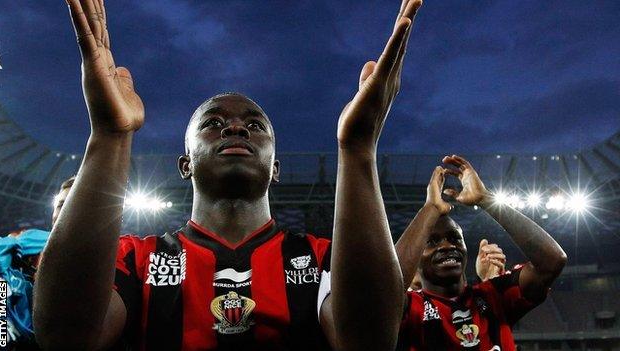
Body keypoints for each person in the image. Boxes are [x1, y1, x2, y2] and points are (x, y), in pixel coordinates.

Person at [33, 0, 423, 349]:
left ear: (275, 169)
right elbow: (66, 337)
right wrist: (109, 136)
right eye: (214, 122)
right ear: (185, 165)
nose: (235, 128)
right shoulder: (136, 258)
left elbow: (368, 340)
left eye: (255, 126)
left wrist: (358, 150)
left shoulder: (322, 258)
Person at [395, 155, 567, 350]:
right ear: (416, 258)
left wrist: (487, 200)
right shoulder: (408, 309)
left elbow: (552, 261)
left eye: (454, 238)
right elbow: (386, 288)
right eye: (432, 242)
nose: (447, 246)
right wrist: (430, 209)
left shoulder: (493, 295)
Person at [0, 176, 74, 349]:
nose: (65, 212)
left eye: (74, 205)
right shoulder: (30, 240)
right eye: (61, 205)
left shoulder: (114, 260)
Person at [408, 239, 506, 291]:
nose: (447, 246)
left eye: (455, 239)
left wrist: (491, 284)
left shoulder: (472, 301)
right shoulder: (406, 307)